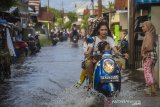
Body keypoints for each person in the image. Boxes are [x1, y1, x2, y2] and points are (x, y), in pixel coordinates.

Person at [141, 21, 158, 96]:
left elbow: (148, 46)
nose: (142, 28)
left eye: (143, 26)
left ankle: (153, 89)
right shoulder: (152, 35)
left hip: (148, 55)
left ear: (148, 27)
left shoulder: (148, 35)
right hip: (153, 56)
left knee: (147, 72)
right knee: (150, 72)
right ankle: (152, 89)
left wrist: (144, 51)